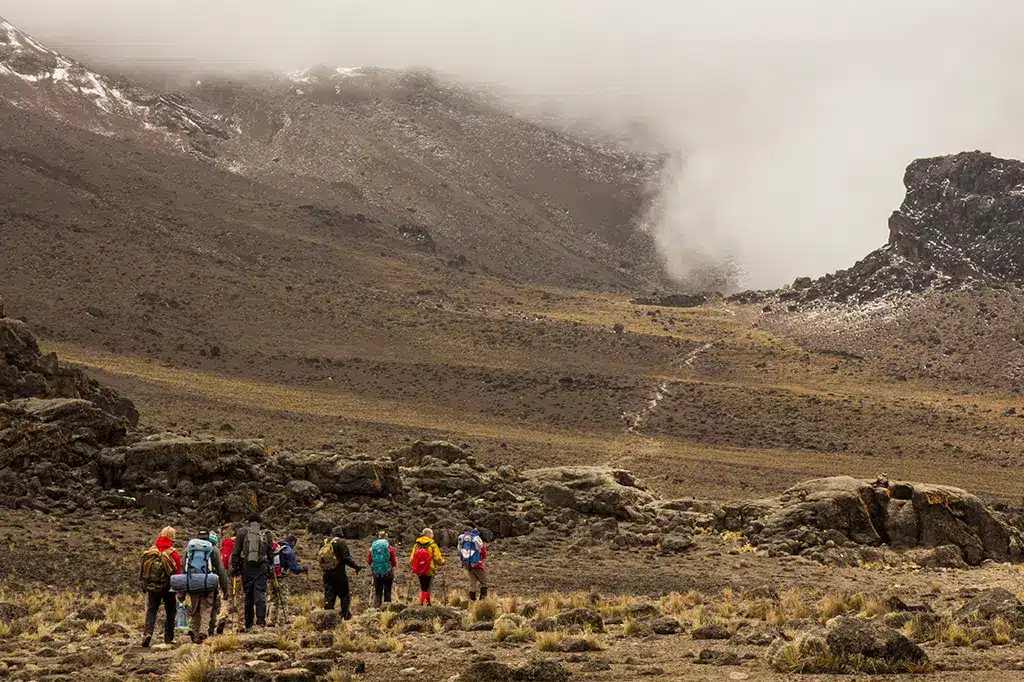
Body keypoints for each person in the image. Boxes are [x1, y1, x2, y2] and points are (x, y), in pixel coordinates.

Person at [230, 513, 275, 630]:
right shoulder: (267, 533)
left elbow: (236, 552)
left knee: (248, 596)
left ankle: (248, 623)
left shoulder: (241, 532)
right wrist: (271, 566)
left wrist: (234, 567)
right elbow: (270, 553)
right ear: (260, 522)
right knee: (260, 594)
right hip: (262, 568)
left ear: (248, 521)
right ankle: (260, 622)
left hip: (246, 568)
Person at [185, 530, 229, 643]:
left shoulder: (191, 548)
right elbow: (220, 570)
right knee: (207, 608)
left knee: (195, 608)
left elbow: (183, 566)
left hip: (193, 581)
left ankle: (193, 630)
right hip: (208, 582)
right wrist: (225, 588)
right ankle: (203, 632)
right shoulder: (212, 549)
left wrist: (184, 585)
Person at [140, 526, 181, 648]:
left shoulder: (151, 551)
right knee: (170, 612)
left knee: (152, 609)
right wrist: (180, 591)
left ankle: (147, 633)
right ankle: (169, 638)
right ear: (172, 539)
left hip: (152, 587)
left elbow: (143, 570)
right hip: (168, 588)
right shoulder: (173, 554)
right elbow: (178, 574)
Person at [320, 527, 361, 619]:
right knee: (344, 595)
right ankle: (345, 616)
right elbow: (346, 559)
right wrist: (356, 567)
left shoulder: (324, 542)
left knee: (329, 595)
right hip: (339, 574)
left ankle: (328, 617)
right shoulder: (341, 543)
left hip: (326, 573)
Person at [268, 534, 308, 626]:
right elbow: (294, 569)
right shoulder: (288, 551)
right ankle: (281, 622)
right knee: (283, 600)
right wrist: (303, 569)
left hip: (272, 577)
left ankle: (271, 620)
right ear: (293, 542)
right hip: (282, 578)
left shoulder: (276, 548)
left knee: (274, 600)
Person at [409, 528, 444, 606]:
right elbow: (437, 558)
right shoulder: (433, 545)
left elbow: (412, 558)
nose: (433, 536)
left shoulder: (417, 545)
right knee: (428, 587)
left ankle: (423, 601)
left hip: (419, 569)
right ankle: (426, 603)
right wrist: (442, 562)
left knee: (423, 586)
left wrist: (415, 565)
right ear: (429, 534)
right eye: (432, 534)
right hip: (429, 568)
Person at [366, 531, 398, 608]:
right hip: (388, 572)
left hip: (376, 573)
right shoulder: (390, 548)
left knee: (378, 592)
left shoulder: (372, 548)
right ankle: (386, 609)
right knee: (387, 591)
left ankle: (377, 608)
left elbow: (369, 561)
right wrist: (393, 566)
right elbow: (394, 562)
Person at [457, 526, 488, 601]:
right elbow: (483, 554)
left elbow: (459, 549)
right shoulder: (478, 541)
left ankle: (472, 600)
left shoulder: (465, 540)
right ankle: (482, 600)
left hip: (468, 564)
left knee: (472, 583)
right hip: (478, 564)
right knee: (484, 582)